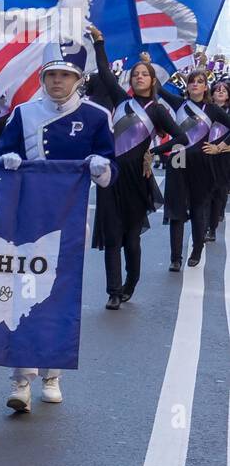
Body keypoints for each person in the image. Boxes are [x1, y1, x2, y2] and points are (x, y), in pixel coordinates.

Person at [0, 37, 116, 413]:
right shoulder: (23, 113)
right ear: (42, 78)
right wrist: (8, 159)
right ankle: (20, 379)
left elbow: (111, 167)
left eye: (65, 75)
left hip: (68, 220)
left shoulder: (96, 116)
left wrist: (101, 166)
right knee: (22, 292)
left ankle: (52, 373)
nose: (58, 82)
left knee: (59, 295)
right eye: (52, 75)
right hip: (26, 218)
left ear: (78, 78)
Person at [86, 30, 183, 308]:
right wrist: (99, 41)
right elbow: (104, 71)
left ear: (152, 80)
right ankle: (113, 291)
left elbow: (181, 138)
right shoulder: (121, 100)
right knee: (112, 235)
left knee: (131, 238)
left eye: (144, 74)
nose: (139, 77)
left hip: (138, 180)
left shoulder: (157, 110)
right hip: (111, 176)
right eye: (136, 73)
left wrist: (153, 152)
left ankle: (131, 282)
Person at [155, 68, 230, 270]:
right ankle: (175, 258)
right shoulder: (179, 103)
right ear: (187, 86)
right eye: (192, 81)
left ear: (206, 87)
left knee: (198, 209)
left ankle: (197, 250)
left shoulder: (213, 110)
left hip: (202, 164)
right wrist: (150, 64)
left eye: (199, 81)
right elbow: (157, 88)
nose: (195, 84)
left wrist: (220, 147)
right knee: (176, 210)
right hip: (178, 160)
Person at [208, 80, 230, 241]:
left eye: (224, 90)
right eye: (217, 90)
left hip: (224, 156)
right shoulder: (205, 110)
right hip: (206, 155)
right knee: (204, 192)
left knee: (219, 192)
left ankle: (212, 228)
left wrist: (222, 147)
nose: (221, 92)